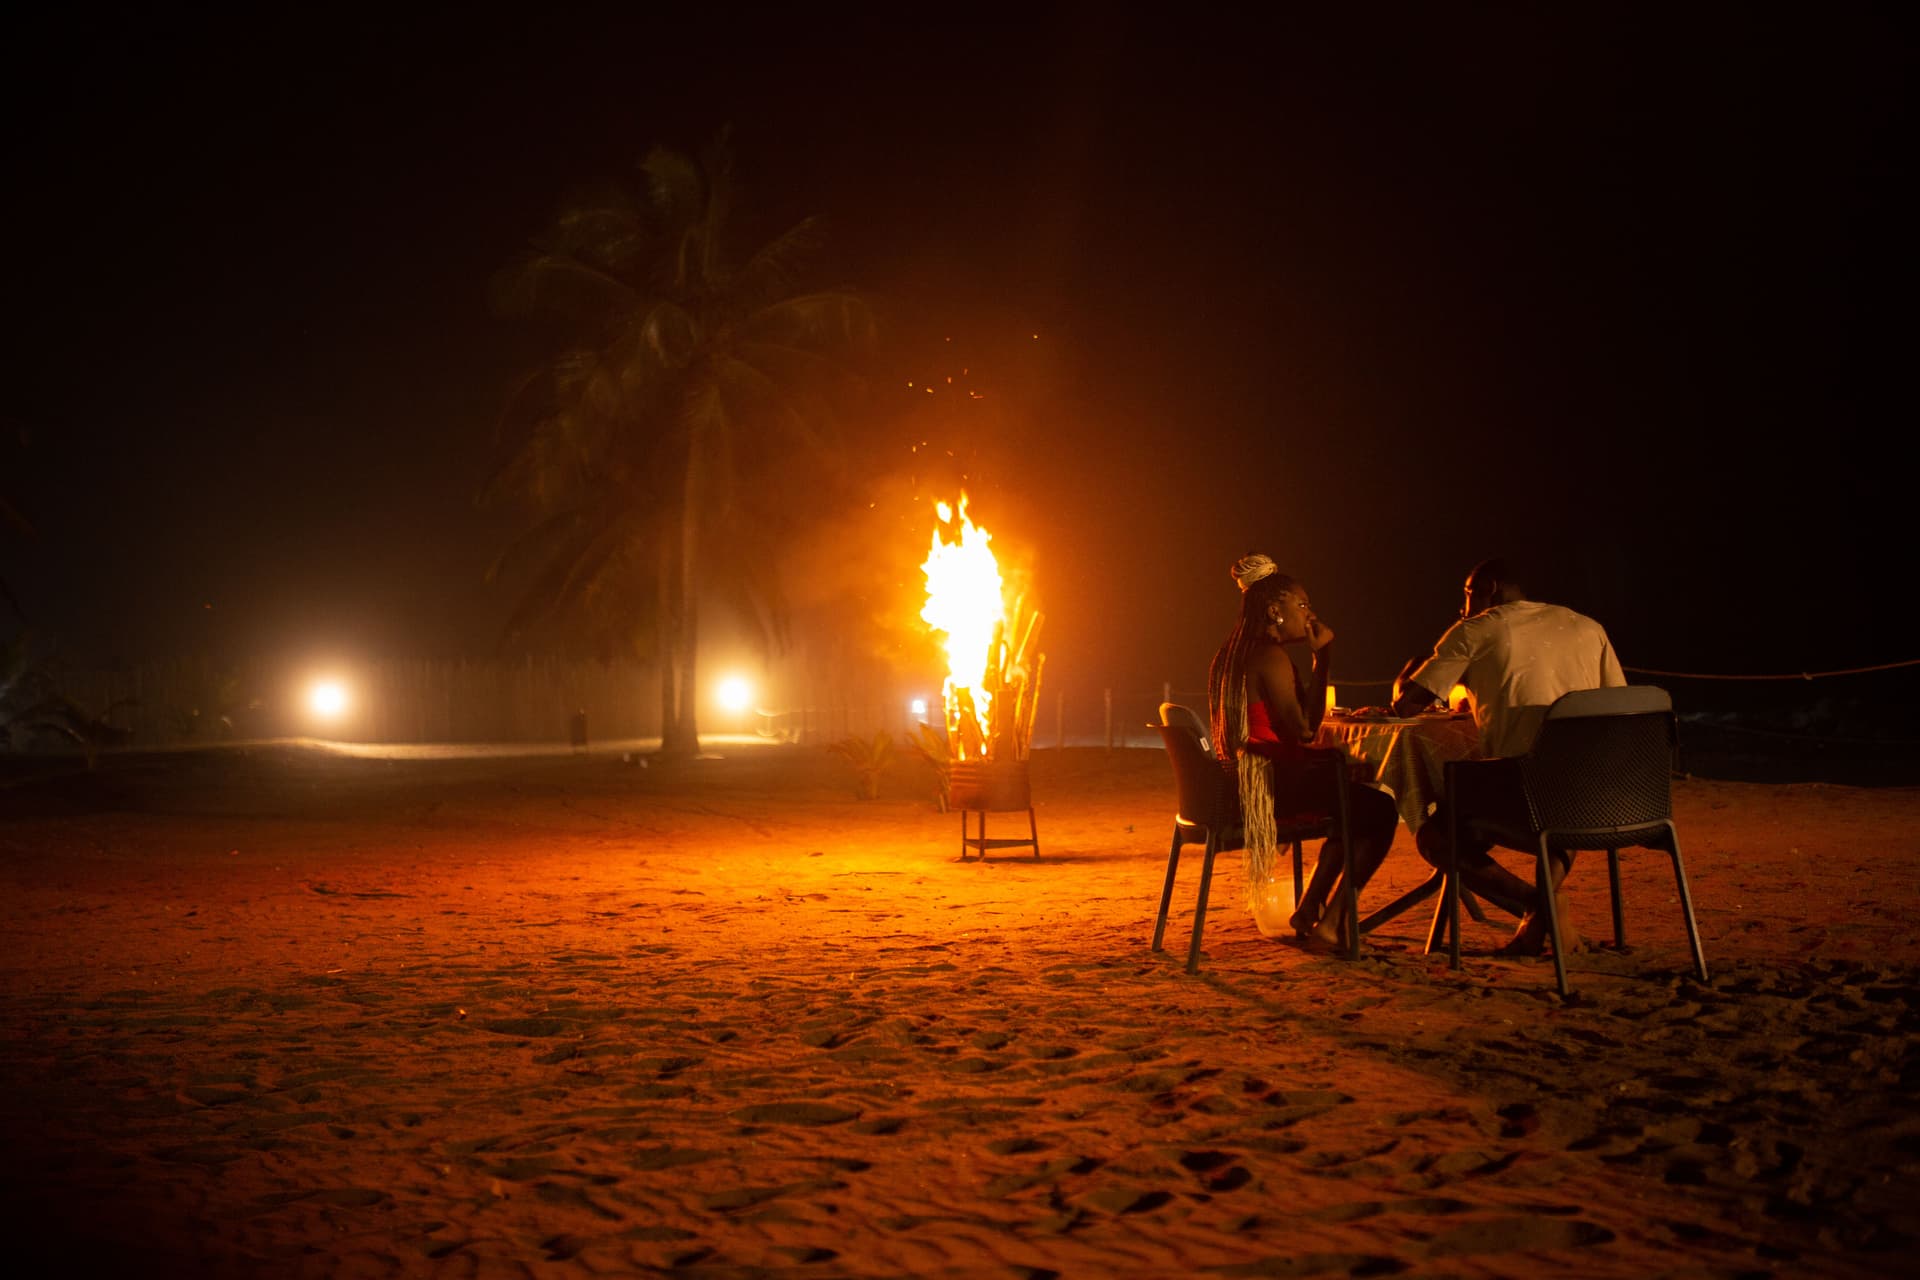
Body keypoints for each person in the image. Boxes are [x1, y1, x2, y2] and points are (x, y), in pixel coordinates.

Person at [1391, 556, 1627, 955]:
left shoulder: (1475, 629)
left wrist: (1418, 666)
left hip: (1525, 796)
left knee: (1436, 836)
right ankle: (1539, 920)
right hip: (1599, 799)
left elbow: (1407, 705)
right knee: (1562, 779)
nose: (1464, 604)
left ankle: (1540, 905)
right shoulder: (1587, 627)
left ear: (1491, 588)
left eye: (1467, 594)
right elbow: (1620, 705)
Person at [1208, 553, 1397, 949]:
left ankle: (1311, 909)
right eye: (1303, 605)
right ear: (1275, 611)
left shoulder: (1230, 652)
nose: (1310, 615)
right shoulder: (1269, 656)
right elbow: (1307, 730)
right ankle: (1331, 923)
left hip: (1241, 784)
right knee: (1379, 811)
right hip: (1271, 789)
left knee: (1356, 799)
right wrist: (1323, 657)